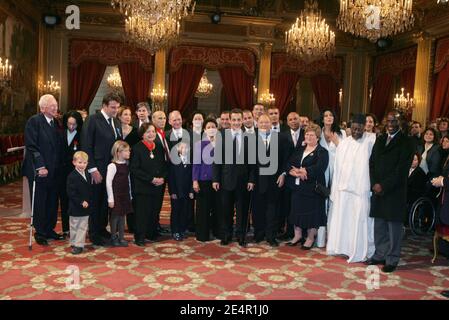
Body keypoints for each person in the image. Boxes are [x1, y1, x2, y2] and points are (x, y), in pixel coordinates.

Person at [366, 111, 414, 273]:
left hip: (394, 191)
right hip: (377, 190)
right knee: (379, 225)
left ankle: (392, 258)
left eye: (395, 121)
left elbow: (401, 170)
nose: (391, 123)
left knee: (393, 228)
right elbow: (371, 163)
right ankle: (380, 254)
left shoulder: (407, 142)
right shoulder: (379, 139)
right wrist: (374, 184)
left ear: (401, 123)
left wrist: (384, 186)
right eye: (389, 120)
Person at [326, 114, 376, 263]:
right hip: (344, 189)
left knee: (359, 221)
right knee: (344, 221)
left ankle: (361, 250)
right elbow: (337, 167)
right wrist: (335, 188)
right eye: (353, 128)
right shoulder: (344, 143)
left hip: (361, 191)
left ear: (364, 128)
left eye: (359, 128)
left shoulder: (371, 141)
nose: (356, 131)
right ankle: (344, 248)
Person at [81, 92, 123, 246]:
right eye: (112, 107)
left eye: (117, 107)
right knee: (95, 201)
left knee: (106, 201)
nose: (115, 110)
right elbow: (86, 146)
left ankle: (102, 228)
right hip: (97, 169)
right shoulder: (93, 120)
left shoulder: (116, 123)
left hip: (111, 169)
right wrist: (92, 169)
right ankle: (94, 233)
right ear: (104, 106)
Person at [22, 94, 64, 246]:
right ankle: (40, 231)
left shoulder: (56, 123)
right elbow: (32, 146)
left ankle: (49, 229)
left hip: (54, 170)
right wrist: (40, 166)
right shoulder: (34, 122)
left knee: (52, 201)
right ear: (43, 108)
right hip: (39, 170)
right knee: (40, 201)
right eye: (52, 105)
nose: (55, 108)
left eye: (56, 105)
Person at [212, 108, 256, 247]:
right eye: (234, 120)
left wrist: (251, 179)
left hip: (243, 180)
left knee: (242, 210)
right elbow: (217, 159)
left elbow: (253, 162)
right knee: (226, 209)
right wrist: (215, 179)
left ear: (242, 120)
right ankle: (226, 234)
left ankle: (241, 235)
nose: (237, 122)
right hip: (225, 179)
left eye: (239, 120)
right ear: (229, 120)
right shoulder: (221, 135)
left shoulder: (249, 137)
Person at [285, 124, 329, 250]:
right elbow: (289, 163)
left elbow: (320, 167)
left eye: (312, 135)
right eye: (307, 134)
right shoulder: (299, 149)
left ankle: (310, 238)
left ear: (318, 137)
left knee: (311, 214)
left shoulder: (322, 151)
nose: (309, 137)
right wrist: (292, 172)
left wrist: (305, 171)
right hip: (298, 187)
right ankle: (297, 236)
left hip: (312, 189)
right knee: (296, 211)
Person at [130, 123, 168, 246]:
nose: (151, 134)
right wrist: (151, 179)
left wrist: (162, 178)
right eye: (148, 132)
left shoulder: (158, 147)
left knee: (154, 211)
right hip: (143, 187)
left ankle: (151, 233)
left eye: (153, 131)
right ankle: (140, 236)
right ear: (142, 134)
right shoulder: (137, 148)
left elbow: (164, 165)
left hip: (157, 186)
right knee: (142, 213)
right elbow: (135, 169)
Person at [252, 114, 283, 247]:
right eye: (261, 122)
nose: (264, 124)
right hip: (257, 181)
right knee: (257, 209)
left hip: (274, 181)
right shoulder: (251, 139)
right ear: (257, 124)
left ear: (271, 124)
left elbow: (284, 159)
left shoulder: (280, 139)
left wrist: (283, 174)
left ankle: (271, 236)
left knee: (272, 210)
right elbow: (250, 164)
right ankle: (259, 234)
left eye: (266, 122)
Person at [318, 108, 346, 247]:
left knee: (335, 204)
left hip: (337, 172)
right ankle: (320, 239)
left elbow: (347, 153)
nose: (328, 117)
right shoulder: (319, 132)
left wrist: (337, 143)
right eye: (326, 115)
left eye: (331, 115)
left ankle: (334, 240)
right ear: (322, 118)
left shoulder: (342, 133)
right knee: (321, 204)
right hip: (322, 172)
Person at [278, 112, 305, 240]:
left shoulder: (307, 134)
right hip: (288, 174)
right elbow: (281, 158)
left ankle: (302, 232)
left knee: (301, 203)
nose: (293, 121)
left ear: (299, 120)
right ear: (287, 122)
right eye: (291, 119)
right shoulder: (282, 135)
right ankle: (289, 231)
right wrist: (285, 172)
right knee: (287, 204)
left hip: (303, 174)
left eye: (296, 119)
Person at [193, 118, 218, 241]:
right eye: (208, 127)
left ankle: (215, 231)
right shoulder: (200, 144)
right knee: (203, 209)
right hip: (203, 181)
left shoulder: (221, 144)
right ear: (204, 130)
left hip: (217, 181)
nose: (211, 129)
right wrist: (195, 180)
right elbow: (196, 164)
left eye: (213, 126)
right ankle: (202, 235)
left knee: (215, 208)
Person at [59, 111, 83, 239]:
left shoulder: (81, 135)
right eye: (69, 123)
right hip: (62, 173)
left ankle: (78, 229)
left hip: (76, 173)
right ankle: (66, 229)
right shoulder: (61, 133)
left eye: (74, 124)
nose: (71, 126)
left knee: (76, 199)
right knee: (64, 200)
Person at [106, 141, 133, 247]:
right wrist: (110, 199)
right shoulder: (112, 166)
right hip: (116, 194)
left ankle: (121, 237)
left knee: (122, 216)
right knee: (115, 216)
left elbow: (128, 180)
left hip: (125, 193)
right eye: (126, 151)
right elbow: (108, 183)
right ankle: (113, 237)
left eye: (128, 150)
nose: (128, 152)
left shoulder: (126, 164)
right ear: (118, 153)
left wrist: (130, 194)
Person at [66, 151, 92, 255]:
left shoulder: (87, 174)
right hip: (75, 206)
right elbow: (71, 193)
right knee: (74, 226)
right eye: (80, 162)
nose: (82, 165)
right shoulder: (72, 176)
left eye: (85, 163)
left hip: (85, 207)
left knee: (82, 226)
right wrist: (81, 202)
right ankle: (73, 242)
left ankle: (78, 245)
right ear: (74, 162)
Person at [168, 142, 194, 241]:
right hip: (176, 192)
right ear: (178, 150)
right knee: (176, 211)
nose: (185, 150)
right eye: (183, 148)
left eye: (187, 148)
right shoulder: (174, 161)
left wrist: (191, 191)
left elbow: (192, 177)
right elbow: (171, 178)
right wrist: (172, 192)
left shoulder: (190, 161)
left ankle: (182, 229)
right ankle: (175, 231)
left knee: (185, 211)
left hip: (186, 191)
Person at [152, 110, 170, 235]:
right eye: (159, 118)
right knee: (154, 202)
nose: (162, 120)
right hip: (155, 174)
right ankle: (153, 226)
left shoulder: (164, 134)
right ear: (153, 120)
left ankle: (156, 224)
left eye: (164, 118)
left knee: (159, 201)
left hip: (163, 173)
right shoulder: (152, 134)